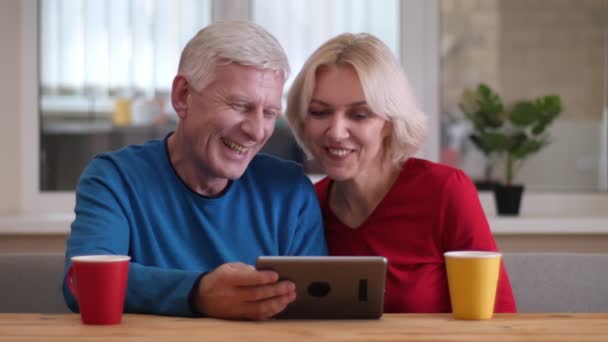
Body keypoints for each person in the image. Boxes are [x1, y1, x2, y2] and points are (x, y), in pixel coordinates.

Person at [63, 21, 327, 320]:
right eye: (240, 105)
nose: (256, 131)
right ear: (183, 96)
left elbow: (313, 308)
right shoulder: (114, 179)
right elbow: (83, 284)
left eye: (269, 113)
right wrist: (197, 293)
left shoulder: (290, 190)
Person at [285, 33, 516, 313]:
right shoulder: (307, 205)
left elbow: (499, 317)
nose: (335, 131)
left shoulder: (444, 191)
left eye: (359, 115)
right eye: (320, 112)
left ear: (390, 123)